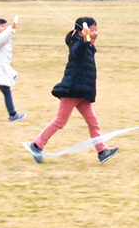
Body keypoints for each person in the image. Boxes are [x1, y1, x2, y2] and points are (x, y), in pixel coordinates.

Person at [25, 16, 119, 164]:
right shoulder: (77, 43)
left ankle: (102, 151)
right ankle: (36, 145)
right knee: (60, 121)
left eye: (96, 30)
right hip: (72, 89)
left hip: (82, 92)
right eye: (91, 30)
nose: (94, 32)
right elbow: (78, 51)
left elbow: (88, 52)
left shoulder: (87, 45)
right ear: (81, 31)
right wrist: (85, 40)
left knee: (93, 122)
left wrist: (91, 40)